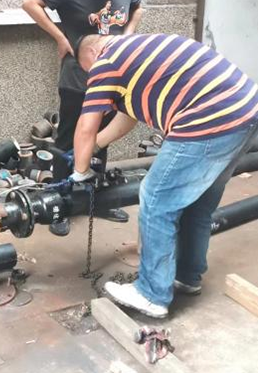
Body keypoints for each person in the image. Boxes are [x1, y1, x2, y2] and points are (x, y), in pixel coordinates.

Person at [71, 32, 258, 318]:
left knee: (156, 197)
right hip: (243, 113)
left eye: (88, 70)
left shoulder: (105, 62)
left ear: (92, 54)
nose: (91, 77)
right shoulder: (136, 54)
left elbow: (86, 127)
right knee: (198, 203)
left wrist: (80, 171)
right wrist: (94, 148)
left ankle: (151, 293)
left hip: (209, 119)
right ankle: (187, 276)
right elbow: (125, 120)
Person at [22, 0, 143, 234]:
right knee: (68, 139)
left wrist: (129, 33)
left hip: (113, 78)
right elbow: (30, 3)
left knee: (101, 139)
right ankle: (59, 204)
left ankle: (94, 201)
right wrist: (60, 37)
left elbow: (138, 8)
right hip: (78, 78)